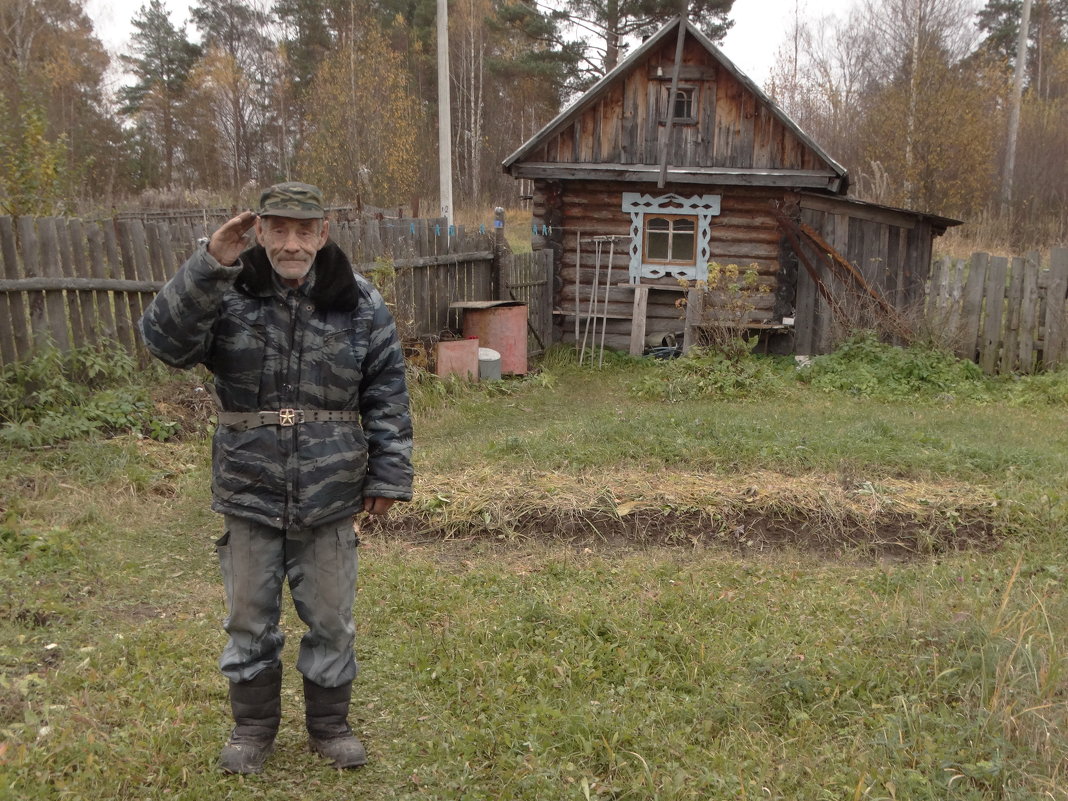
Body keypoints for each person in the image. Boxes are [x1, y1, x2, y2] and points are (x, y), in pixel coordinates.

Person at [139, 182, 413, 774]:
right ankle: (253, 729)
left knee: (332, 618)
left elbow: (387, 390)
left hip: (331, 489)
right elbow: (164, 343)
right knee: (248, 618)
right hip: (248, 486)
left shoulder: (358, 301)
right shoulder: (227, 289)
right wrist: (208, 265)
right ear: (259, 230)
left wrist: (388, 475)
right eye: (279, 229)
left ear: (323, 232)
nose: (292, 243)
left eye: (303, 230)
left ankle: (330, 726)